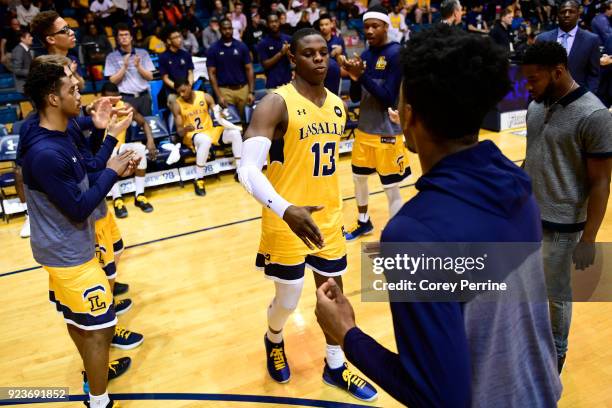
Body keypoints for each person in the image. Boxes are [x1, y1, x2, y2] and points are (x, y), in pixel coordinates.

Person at [315, 24, 563, 407]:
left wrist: (347, 334)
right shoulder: (519, 185)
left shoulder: (414, 235)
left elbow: (438, 397)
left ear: (408, 115)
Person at [237, 28, 378, 402]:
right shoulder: (274, 103)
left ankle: (335, 365)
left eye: (323, 53)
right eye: (309, 53)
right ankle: (274, 338)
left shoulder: (337, 104)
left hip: (328, 217)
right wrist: (285, 209)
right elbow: (247, 170)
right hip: (286, 219)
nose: (318, 59)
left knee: (332, 294)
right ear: (292, 59)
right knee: (288, 298)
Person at [20, 54, 136, 408]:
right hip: (68, 253)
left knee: (79, 318)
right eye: (72, 88)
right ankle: (98, 401)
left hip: (68, 245)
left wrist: (107, 137)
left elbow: (90, 166)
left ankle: (93, 374)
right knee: (103, 327)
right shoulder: (46, 151)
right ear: (53, 98)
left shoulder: (58, 129)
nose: (80, 95)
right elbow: (79, 206)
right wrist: (114, 171)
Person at [521, 41, 612, 373]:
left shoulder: (594, 114)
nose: (527, 87)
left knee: (557, 297)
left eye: (533, 79)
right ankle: (531, 347)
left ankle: (555, 358)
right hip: (528, 219)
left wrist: (588, 240)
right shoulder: (536, 106)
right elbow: (533, 158)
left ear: (557, 72)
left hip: (564, 227)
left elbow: (601, 183)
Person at [341, 6, 409, 241]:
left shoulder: (396, 53)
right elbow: (357, 97)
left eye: (374, 26)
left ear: (386, 27)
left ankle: (397, 235)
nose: (369, 30)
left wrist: (362, 77)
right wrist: (353, 77)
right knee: (358, 178)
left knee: (390, 187)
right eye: (366, 26)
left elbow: (389, 97)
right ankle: (363, 222)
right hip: (364, 130)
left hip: (387, 132)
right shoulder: (365, 56)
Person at [173, 78, 242, 195]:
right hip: (192, 135)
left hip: (210, 130)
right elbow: (179, 132)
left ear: (189, 86)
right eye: (179, 92)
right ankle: (198, 178)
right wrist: (185, 129)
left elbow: (219, 116)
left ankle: (240, 170)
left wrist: (222, 110)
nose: (181, 94)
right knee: (205, 140)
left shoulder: (205, 96)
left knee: (235, 133)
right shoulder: (177, 104)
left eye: (183, 90)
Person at [101, 82, 156, 218]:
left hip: (120, 146)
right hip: (102, 150)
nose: (113, 103)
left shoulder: (125, 107)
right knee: (110, 154)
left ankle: (139, 195)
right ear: (102, 97)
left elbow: (143, 122)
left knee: (139, 149)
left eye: (115, 99)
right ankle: (117, 199)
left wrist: (150, 140)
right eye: (109, 99)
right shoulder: (97, 110)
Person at [536, 0, 601, 93]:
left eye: (571, 11)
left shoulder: (591, 40)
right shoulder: (543, 39)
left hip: (579, 99)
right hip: (548, 98)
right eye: (563, 12)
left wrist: (587, 99)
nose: (566, 14)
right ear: (557, 14)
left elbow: (594, 74)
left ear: (578, 14)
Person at [206, 19, 255, 121]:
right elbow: (211, 74)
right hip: (225, 90)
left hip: (243, 89)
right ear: (220, 29)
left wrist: (251, 92)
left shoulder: (241, 46)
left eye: (229, 28)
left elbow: (249, 69)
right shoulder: (213, 49)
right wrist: (219, 95)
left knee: (246, 121)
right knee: (231, 123)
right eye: (224, 29)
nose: (227, 31)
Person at [104, 23, 155, 116]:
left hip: (144, 96)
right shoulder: (111, 57)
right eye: (121, 35)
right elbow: (112, 81)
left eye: (126, 35)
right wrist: (124, 67)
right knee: (129, 128)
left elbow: (150, 77)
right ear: (117, 39)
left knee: (148, 123)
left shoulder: (143, 53)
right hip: (125, 98)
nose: (124, 37)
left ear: (131, 37)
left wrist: (139, 66)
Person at [30, 10, 85, 90]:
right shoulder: (43, 67)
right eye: (65, 29)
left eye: (69, 27)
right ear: (51, 39)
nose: (72, 32)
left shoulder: (72, 59)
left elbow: (81, 86)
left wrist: (73, 73)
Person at [159, 25, 194, 109]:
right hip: (173, 92)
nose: (180, 39)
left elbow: (190, 73)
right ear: (168, 41)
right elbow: (165, 78)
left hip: (188, 89)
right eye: (176, 37)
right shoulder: (163, 57)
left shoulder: (186, 54)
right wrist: (179, 88)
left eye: (179, 36)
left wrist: (188, 87)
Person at [257, 13, 292, 89]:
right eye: (271, 22)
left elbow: (294, 62)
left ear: (279, 22)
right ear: (267, 24)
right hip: (272, 84)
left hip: (289, 82)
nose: (274, 24)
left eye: (276, 21)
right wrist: (281, 53)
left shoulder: (288, 39)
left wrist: (288, 53)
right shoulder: (263, 43)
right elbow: (265, 65)